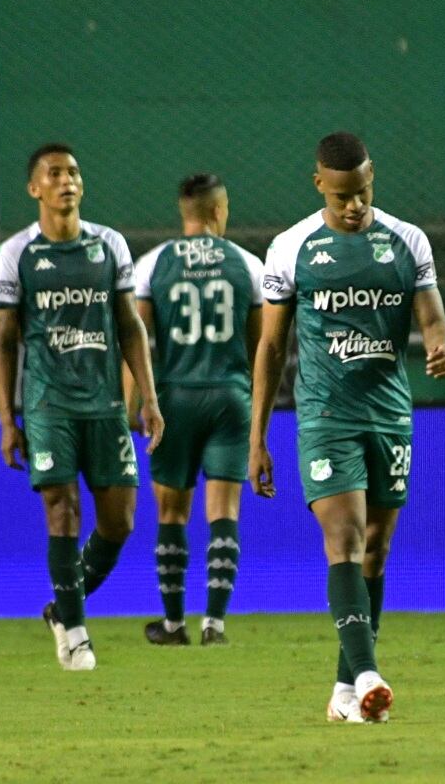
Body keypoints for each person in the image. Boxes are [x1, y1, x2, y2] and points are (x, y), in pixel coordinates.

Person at [248, 132, 445, 723]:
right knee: (344, 537)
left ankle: (345, 693)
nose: (353, 206)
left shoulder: (406, 241)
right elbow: (270, 345)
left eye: (361, 193)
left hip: (389, 414)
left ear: (372, 180)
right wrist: (258, 437)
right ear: (319, 185)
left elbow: (433, 316)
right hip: (324, 415)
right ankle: (368, 675)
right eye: (341, 196)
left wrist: (442, 344)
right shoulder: (290, 248)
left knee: (377, 553)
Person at [0, 143, 164, 671]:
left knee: (121, 522)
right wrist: (6, 419)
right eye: (54, 174)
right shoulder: (15, 255)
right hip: (48, 406)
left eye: (73, 173)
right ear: (34, 188)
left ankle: (62, 609)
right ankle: (77, 636)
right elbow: (2, 341)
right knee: (61, 510)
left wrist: (149, 398)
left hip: (107, 405)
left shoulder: (108, 245)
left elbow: (130, 325)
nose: (67, 181)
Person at [130, 174, 264, 646]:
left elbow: (138, 339)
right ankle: (215, 624)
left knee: (171, 511)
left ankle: (172, 624)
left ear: (184, 211)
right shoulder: (247, 264)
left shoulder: (152, 265)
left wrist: (136, 402)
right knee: (224, 507)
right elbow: (260, 343)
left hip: (174, 396)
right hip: (230, 394)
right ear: (218, 210)